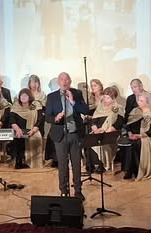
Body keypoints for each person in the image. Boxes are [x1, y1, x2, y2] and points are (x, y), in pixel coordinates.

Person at [45, 72, 88, 200]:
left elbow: (85, 110)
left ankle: (78, 190)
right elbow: (47, 117)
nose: (64, 82)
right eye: (62, 79)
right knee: (63, 165)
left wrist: (73, 102)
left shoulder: (77, 94)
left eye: (66, 79)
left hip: (75, 134)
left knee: (76, 164)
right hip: (60, 135)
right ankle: (64, 190)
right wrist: (56, 118)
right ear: (58, 82)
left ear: (70, 81)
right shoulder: (51, 97)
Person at [123, 92, 151, 180]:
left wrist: (140, 135)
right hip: (133, 135)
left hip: (147, 136)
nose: (138, 102)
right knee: (127, 144)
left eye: (141, 101)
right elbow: (128, 125)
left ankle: (138, 170)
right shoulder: (135, 111)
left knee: (137, 143)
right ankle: (129, 170)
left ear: (147, 102)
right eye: (138, 100)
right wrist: (130, 134)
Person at [87, 87, 124, 172]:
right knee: (88, 140)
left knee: (101, 142)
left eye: (108, 98)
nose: (105, 100)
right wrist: (95, 130)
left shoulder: (117, 108)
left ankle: (101, 165)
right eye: (104, 97)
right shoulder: (100, 107)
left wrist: (106, 131)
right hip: (98, 132)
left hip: (110, 132)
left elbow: (119, 123)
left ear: (113, 99)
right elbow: (93, 121)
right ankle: (91, 165)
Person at [9, 89, 44, 169]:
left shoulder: (36, 105)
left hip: (33, 129)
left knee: (35, 137)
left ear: (29, 97)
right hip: (19, 129)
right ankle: (19, 161)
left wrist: (33, 130)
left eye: (25, 95)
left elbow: (40, 119)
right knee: (18, 137)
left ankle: (32, 162)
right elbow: (12, 120)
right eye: (21, 95)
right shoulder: (15, 106)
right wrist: (17, 129)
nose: (23, 97)